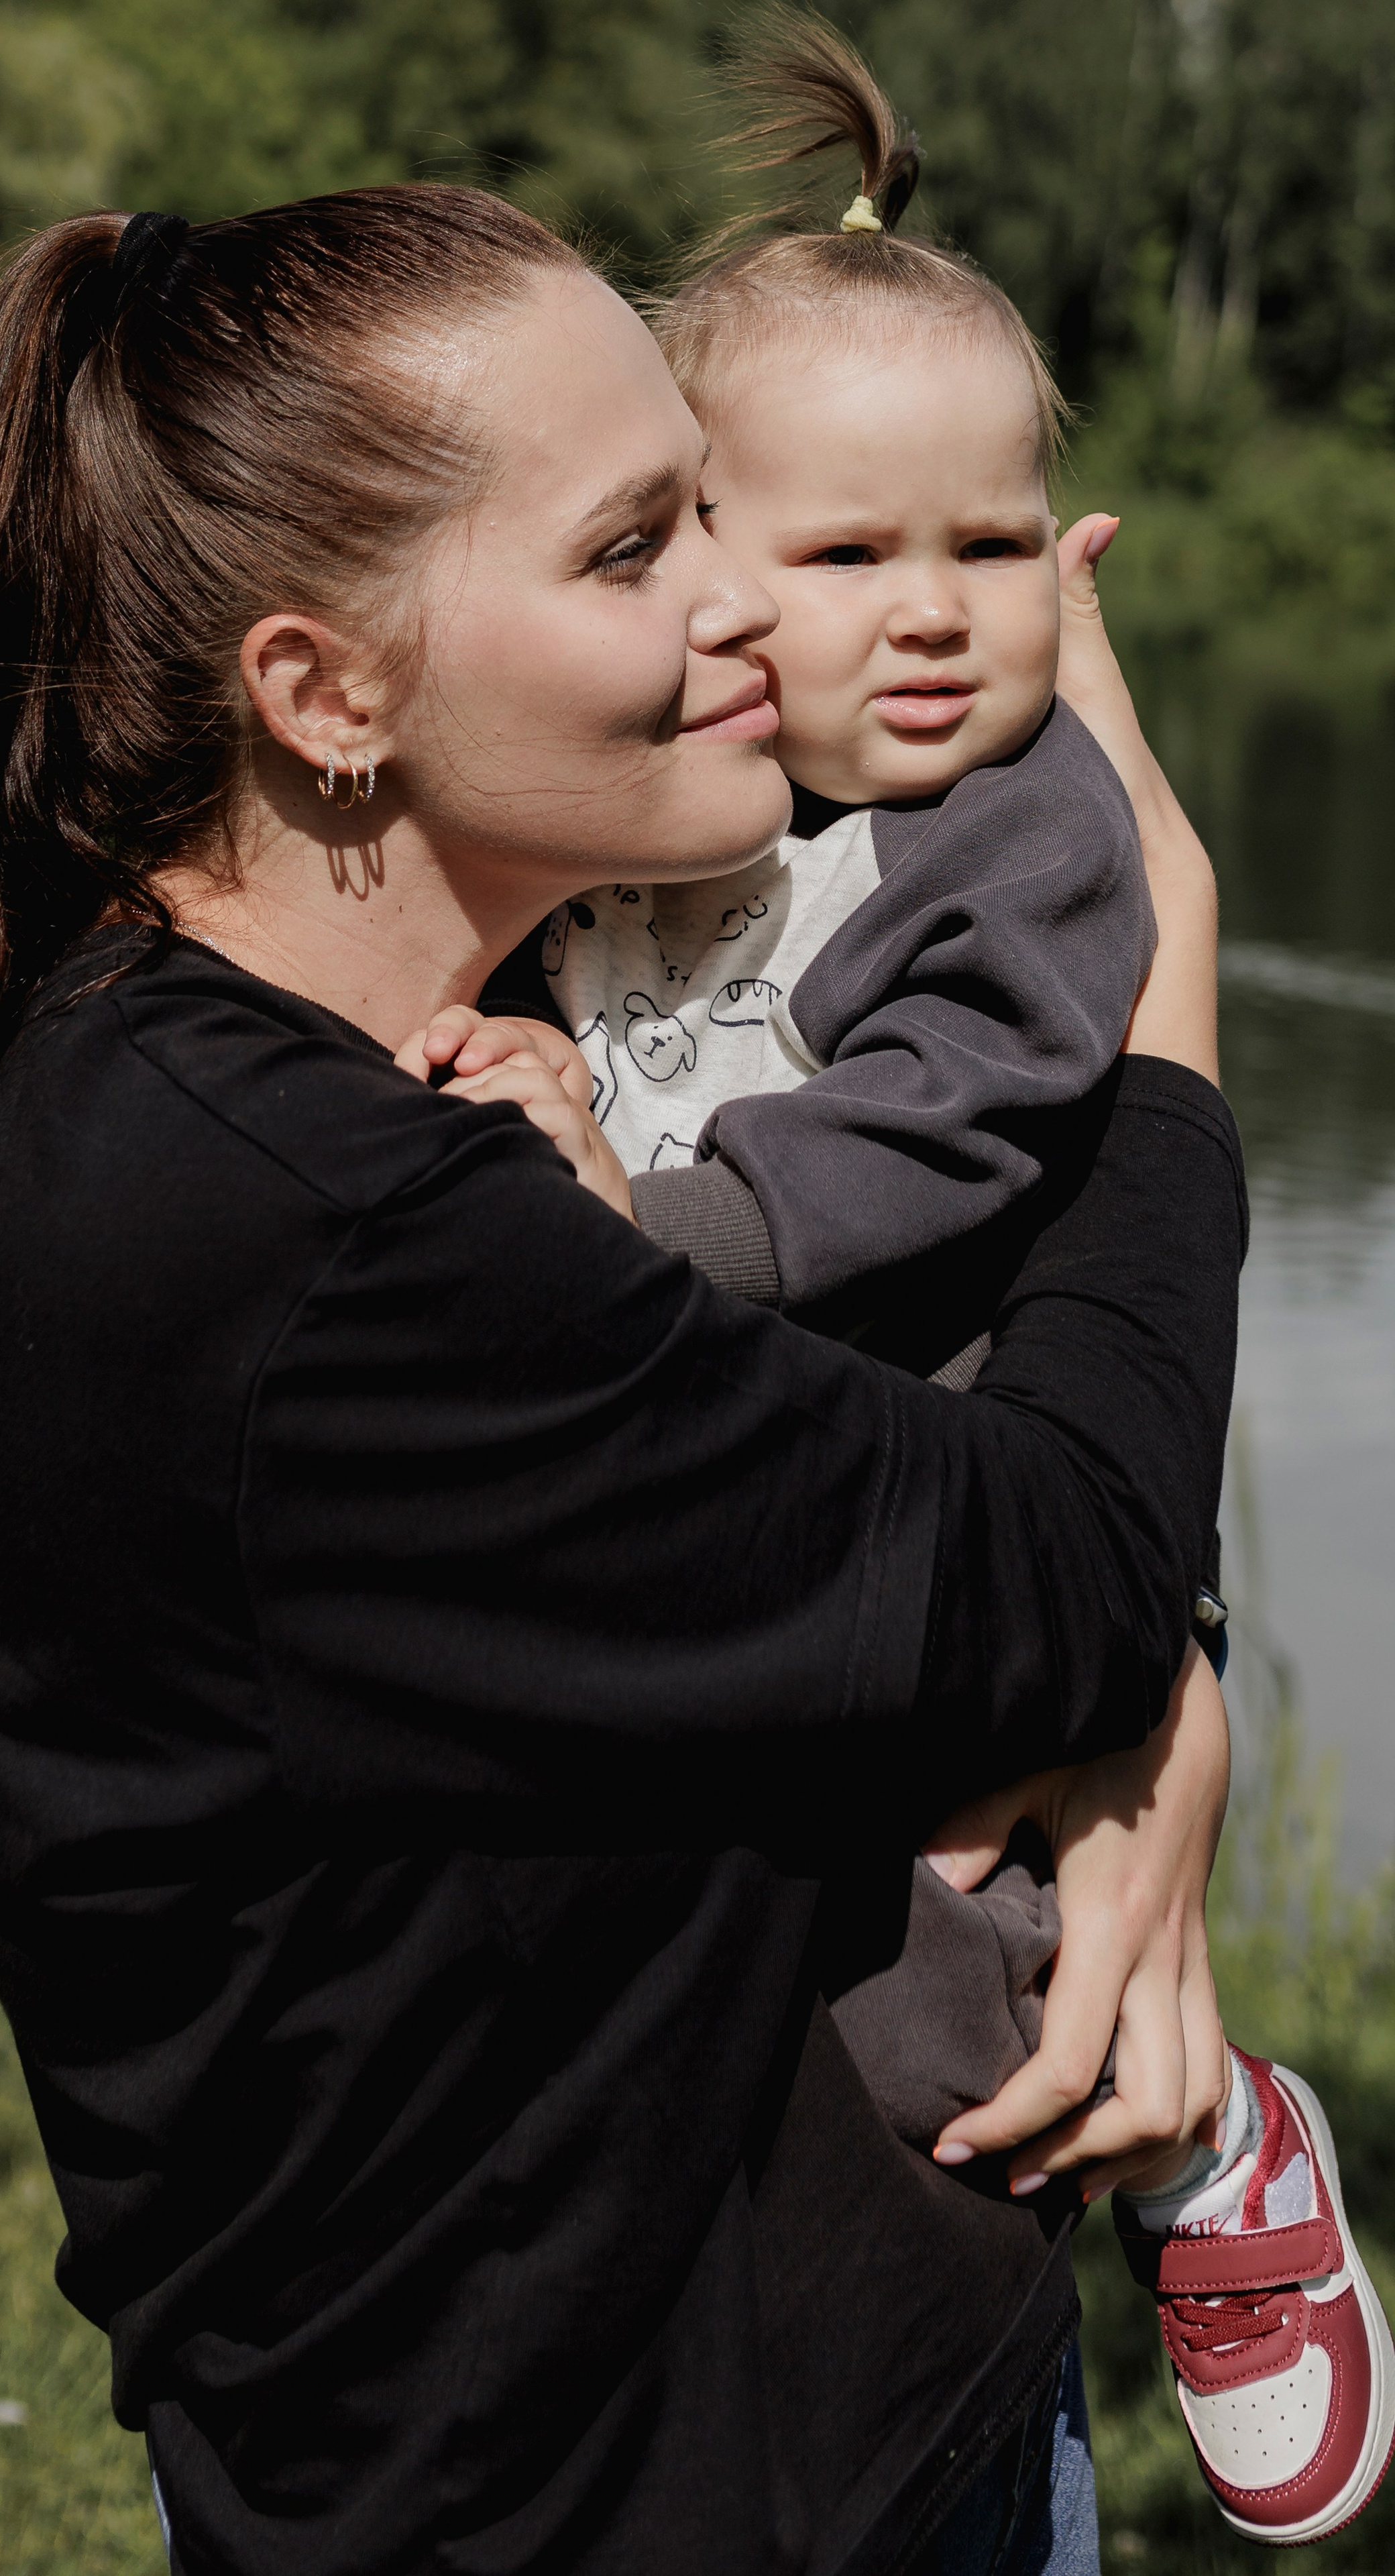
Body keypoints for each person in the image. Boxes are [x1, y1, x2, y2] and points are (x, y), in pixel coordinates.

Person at [0, 188, 1241, 2575]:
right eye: (643, 548)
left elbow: (904, 1592)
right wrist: (1167, 1035)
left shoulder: (204, 1094)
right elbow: (1059, 1573)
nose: (749, 604)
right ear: (328, 695)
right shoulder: (347, 1249)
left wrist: (1139, 1669)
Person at [419, 30, 1395, 2548]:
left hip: (946, 1483)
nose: (939, 618)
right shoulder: (632, 811)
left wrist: (656, 1228)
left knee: (954, 1954)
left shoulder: (1019, 823)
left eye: (992, 544)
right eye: (850, 559)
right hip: (738, 1538)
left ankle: (1197, 2143)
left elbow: (951, 1117)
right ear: (692, 554)